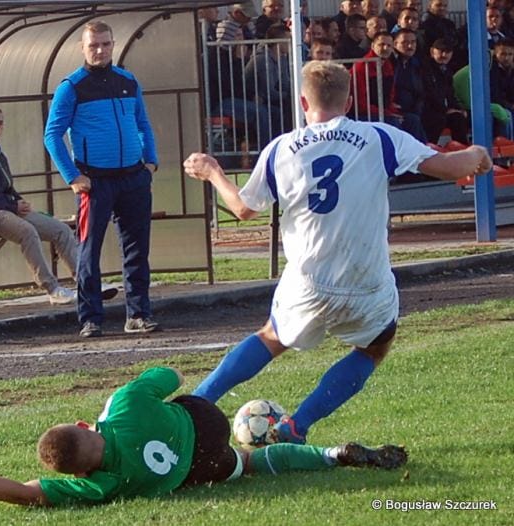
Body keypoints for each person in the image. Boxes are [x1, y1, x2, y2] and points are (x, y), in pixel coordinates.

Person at [182, 61, 492, 445]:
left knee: (270, 339)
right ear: (348, 102)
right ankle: (296, 427)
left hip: (309, 279)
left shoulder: (282, 148)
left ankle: (194, 405)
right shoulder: (380, 137)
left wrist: (214, 172)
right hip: (366, 279)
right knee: (375, 348)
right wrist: (478, 153)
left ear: (302, 101)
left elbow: (244, 209)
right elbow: (450, 167)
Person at [0, 367, 409, 506]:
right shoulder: (122, 405)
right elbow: (169, 376)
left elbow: (21, 493)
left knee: (247, 465)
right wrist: (123, 400)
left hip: (195, 472)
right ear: (83, 427)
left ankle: (328, 453)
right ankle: (326, 450)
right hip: (201, 421)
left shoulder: (100, 486)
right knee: (200, 411)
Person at [44, 22, 159, 338]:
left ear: (113, 45)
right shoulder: (72, 86)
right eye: (94, 45)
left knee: (137, 250)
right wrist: (73, 176)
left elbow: (143, 124)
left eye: (106, 44)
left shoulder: (128, 80)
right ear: (83, 47)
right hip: (95, 182)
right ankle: (91, 318)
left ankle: (138, 313)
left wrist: (150, 163)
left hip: (133, 178)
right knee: (89, 251)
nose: (100, 50)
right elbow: (52, 135)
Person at [0, 106, 118, 305]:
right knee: (27, 232)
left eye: (0, 123)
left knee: (62, 230)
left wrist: (19, 202)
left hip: (8, 207)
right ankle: (52, 289)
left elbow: (6, 187)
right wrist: (13, 206)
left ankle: (87, 282)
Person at [421, 38, 469, 144]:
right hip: (429, 111)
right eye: (441, 51)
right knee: (437, 120)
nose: (444, 55)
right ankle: (430, 150)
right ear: (432, 51)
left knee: (459, 118)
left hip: (443, 111)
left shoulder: (447, 71)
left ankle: (463, 151)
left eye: (448, 52)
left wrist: (458, 108)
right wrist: (445, 110)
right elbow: (428, 94)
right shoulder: (425, 68)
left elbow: (450, 94)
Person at [391, 28, 428, 141]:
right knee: (413, 120)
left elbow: (421, 91)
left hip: (413, 108)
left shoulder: (417, 64)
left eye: (413, 42)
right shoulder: (390, 63)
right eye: (405, 42)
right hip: (395, 110)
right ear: (395, 44)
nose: (410, 46)